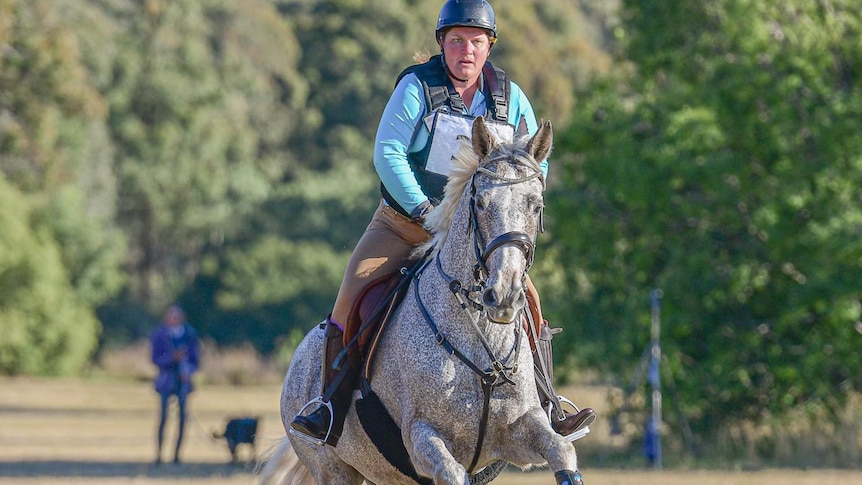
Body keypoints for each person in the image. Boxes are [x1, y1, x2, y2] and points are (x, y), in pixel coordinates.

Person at [290, 0, 596, 445]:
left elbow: (534, 163)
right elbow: (387, 153)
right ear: (442, 45)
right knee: (351, 293)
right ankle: (330, 405)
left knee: (529, 301)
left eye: (476, 42)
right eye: (456, 41)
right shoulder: (417, 87)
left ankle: (548, 404)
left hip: (477, 236)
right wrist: (422, 211)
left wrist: (515, 209)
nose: (466, 51)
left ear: (490, 46)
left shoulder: (510, 98)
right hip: (404, 224)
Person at [150, 304, 201, 464]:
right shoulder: (160, 334)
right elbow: (155, 358)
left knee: (183, 418)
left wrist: (188, 371)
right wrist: (172, 358)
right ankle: (159, 454)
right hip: (167, 381)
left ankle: (177, 455)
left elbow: (196, 360)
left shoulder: (190, 334)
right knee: (164, 417)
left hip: (183, 382)